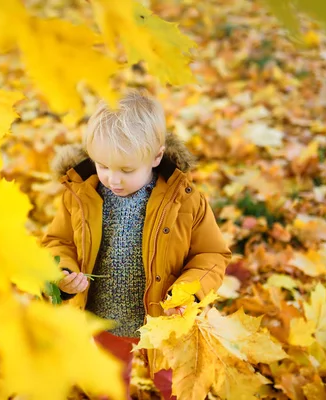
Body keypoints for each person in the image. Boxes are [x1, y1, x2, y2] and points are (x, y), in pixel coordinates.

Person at [41, 91, 231, 399]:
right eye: (102, 165)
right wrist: (64, 273)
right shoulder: (80, 195)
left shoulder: (184, 199)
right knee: (110, 380)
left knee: (171, 382)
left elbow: (211, 254)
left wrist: (188, 291)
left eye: (126, 170)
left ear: (156, 157)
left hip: (163, 318)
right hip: (106, 316)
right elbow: (58, 242)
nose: (112, 179)